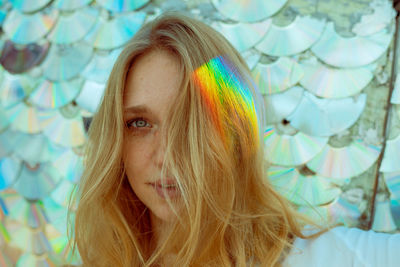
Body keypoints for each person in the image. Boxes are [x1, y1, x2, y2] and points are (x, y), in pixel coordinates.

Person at [69, 13, 400, 267]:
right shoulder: (106, 257)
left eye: (194, 122)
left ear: (236, 133)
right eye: (139, 123)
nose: (167, 156)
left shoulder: (325, 257)